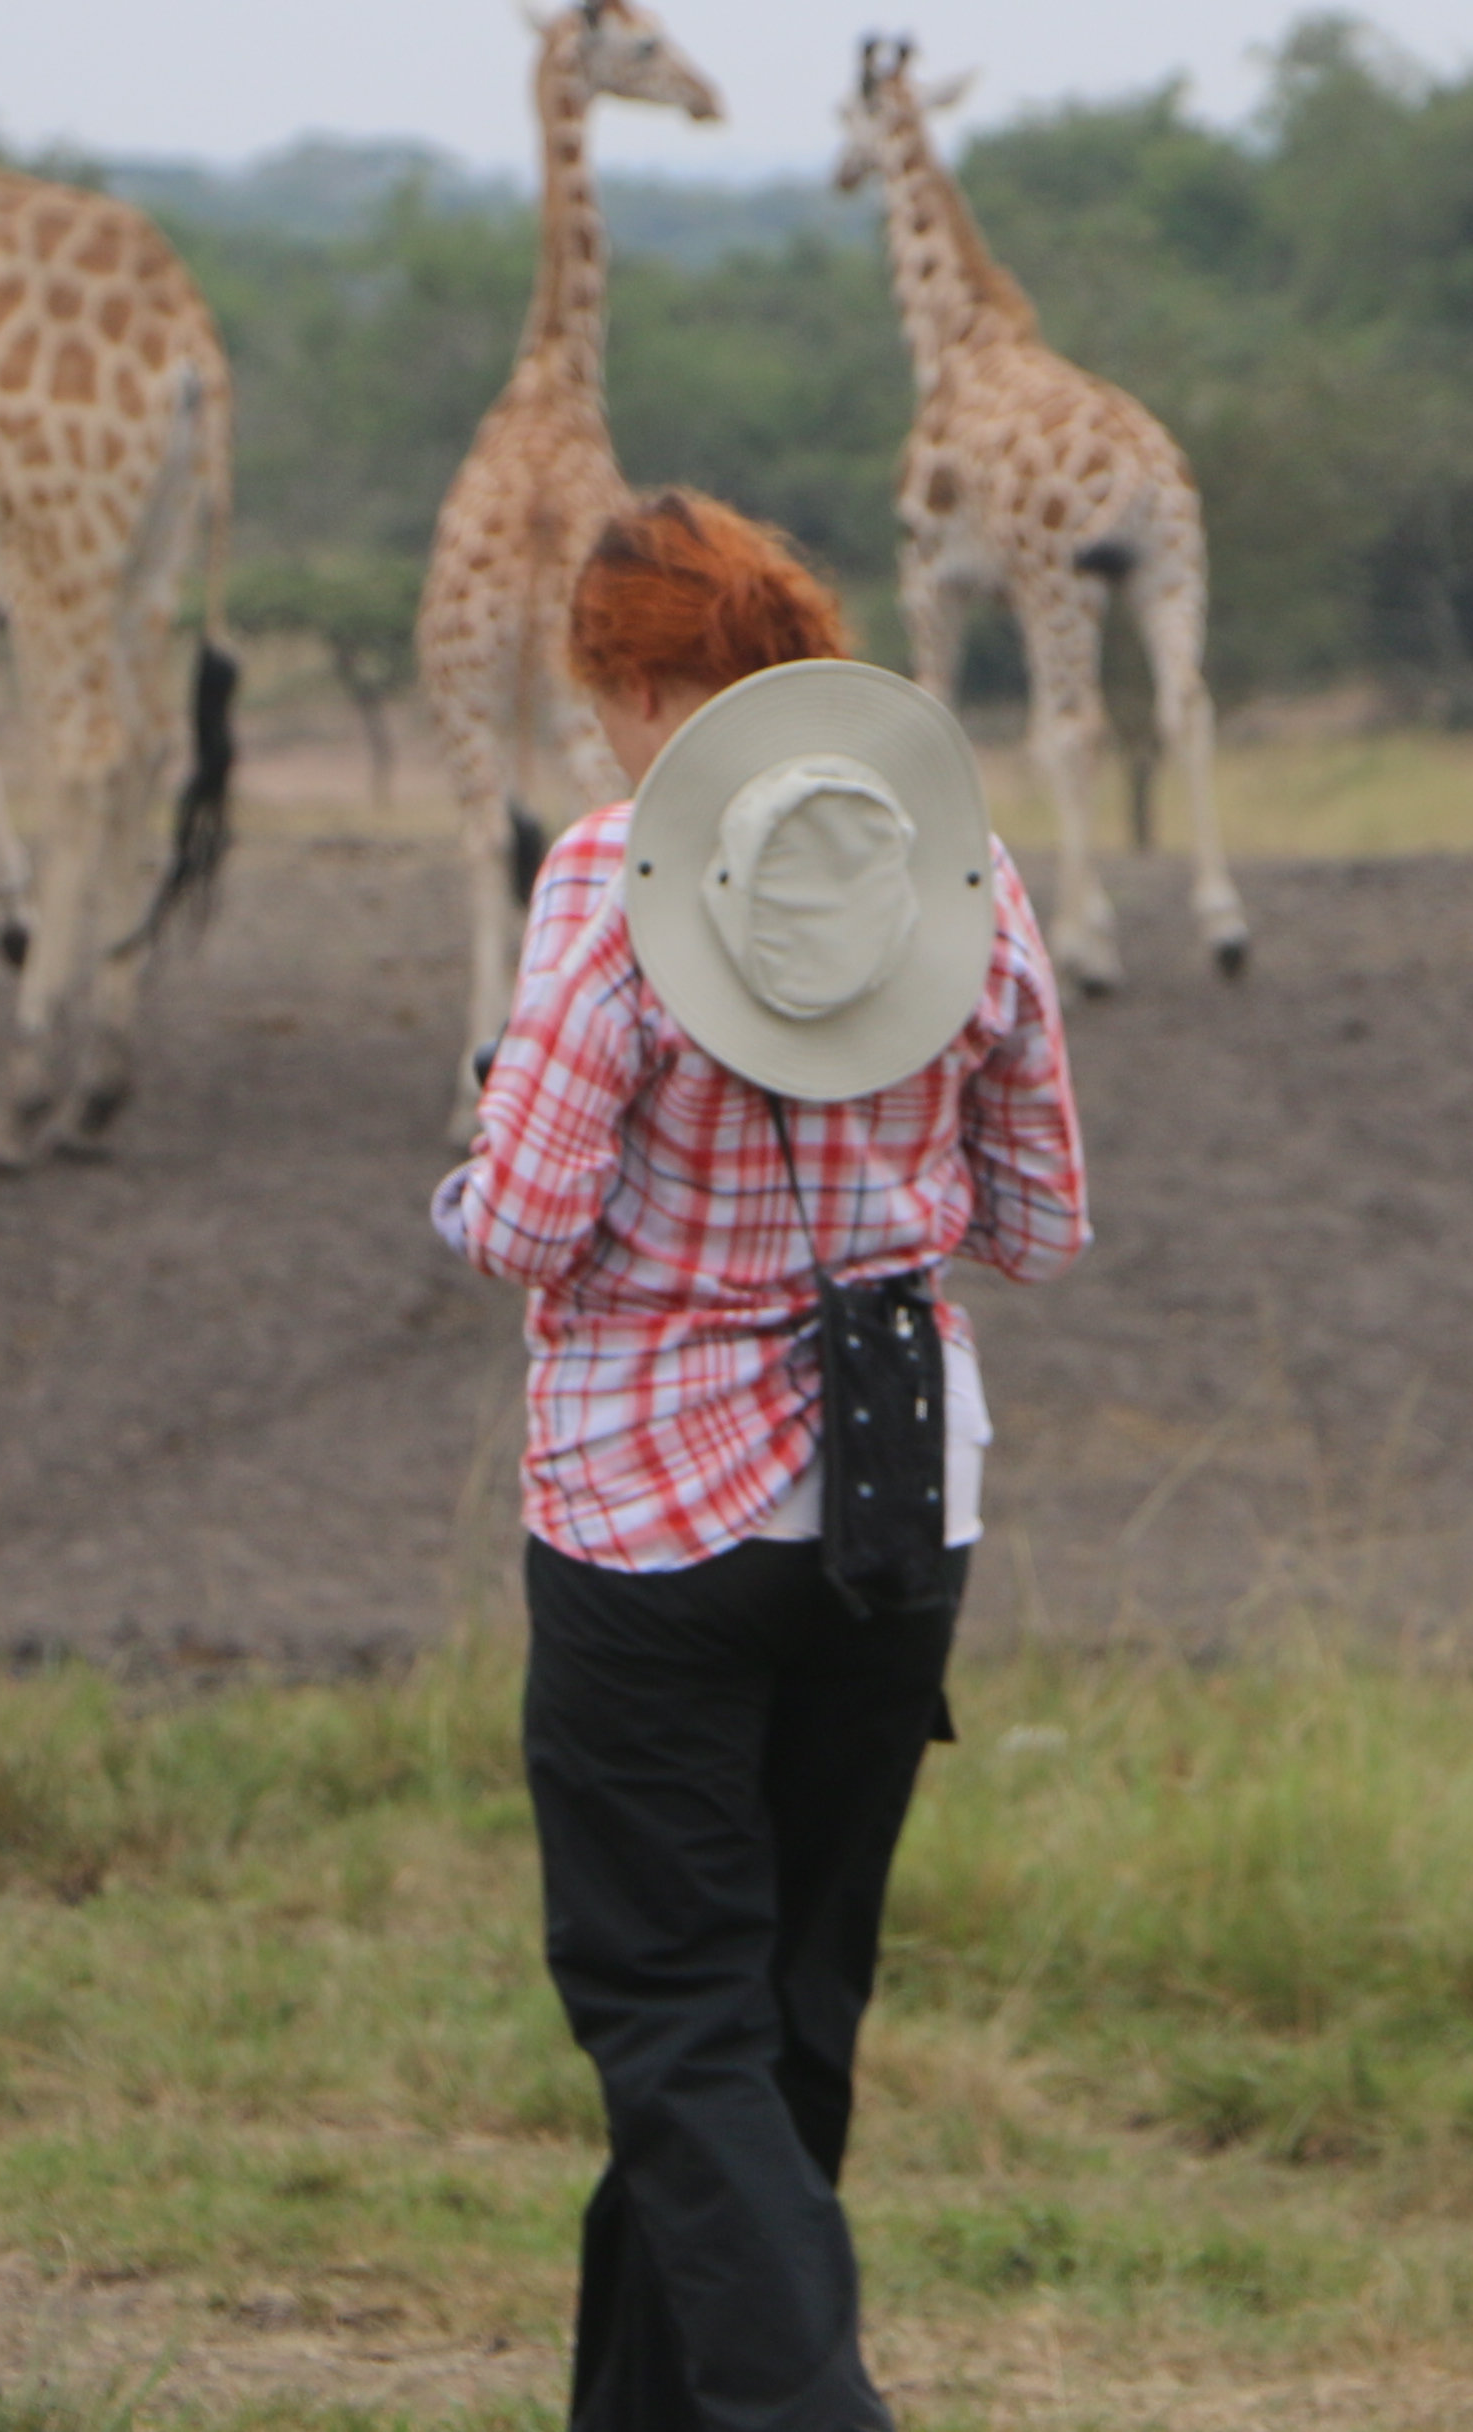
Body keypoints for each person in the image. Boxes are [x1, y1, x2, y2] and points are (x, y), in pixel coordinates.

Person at [433, 488, 1088, 2432]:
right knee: (784, 2027)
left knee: (667, 2017)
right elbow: (1043, 1223)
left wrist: (466, 1155)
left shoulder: (611, 875)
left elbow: (524, 1226)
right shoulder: (960, 865)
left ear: (636, 684)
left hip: (652, 1511)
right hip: (899, 1512)